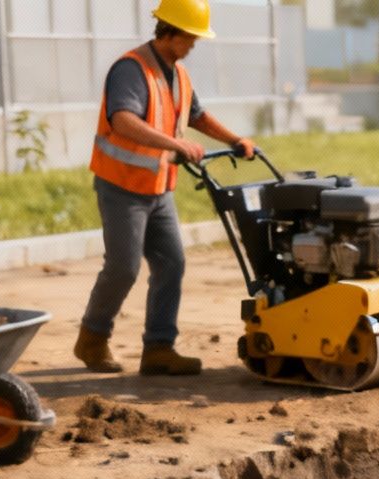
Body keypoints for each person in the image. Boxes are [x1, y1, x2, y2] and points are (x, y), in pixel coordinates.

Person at [76, 0, 256, 378]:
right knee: (123, 267)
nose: (193, 44)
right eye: (190, 36)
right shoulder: (131, 69)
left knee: (171, 262)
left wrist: (236, 138)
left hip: (159, 188)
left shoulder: (178, 74)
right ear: (170, 30)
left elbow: (197, 116)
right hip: (122, 186)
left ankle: (159, 348)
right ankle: (92, 338)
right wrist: (176, 146)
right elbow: (123, 121)